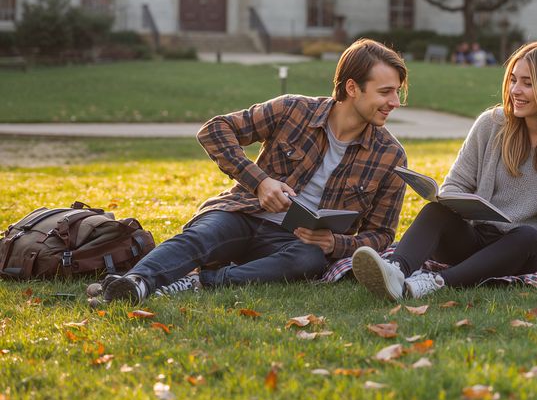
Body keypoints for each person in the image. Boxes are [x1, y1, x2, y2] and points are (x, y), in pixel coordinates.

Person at [87, 39, 409, 304]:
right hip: (243, 213)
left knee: (307, 261)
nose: (395, 101)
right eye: (385, 92)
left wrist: (332, 244)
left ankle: (198, 283)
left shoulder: (391, 156)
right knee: (202, 235)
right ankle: (135, 284)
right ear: (352, 87)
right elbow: (215, 130)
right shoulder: (294, 109)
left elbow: (381, 235)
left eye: (397, 92)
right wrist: (260, 183)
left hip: (293, 244)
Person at [352, 41, 537, 300]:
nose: (515, 89)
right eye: (514, 80)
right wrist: (458, 203)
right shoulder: (490, 124)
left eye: (527, 83)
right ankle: (396, 271)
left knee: (528, 237)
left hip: (522, 250)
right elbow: (454, 186)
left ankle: (436, 283)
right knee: (436, 210)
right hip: (476, 238)